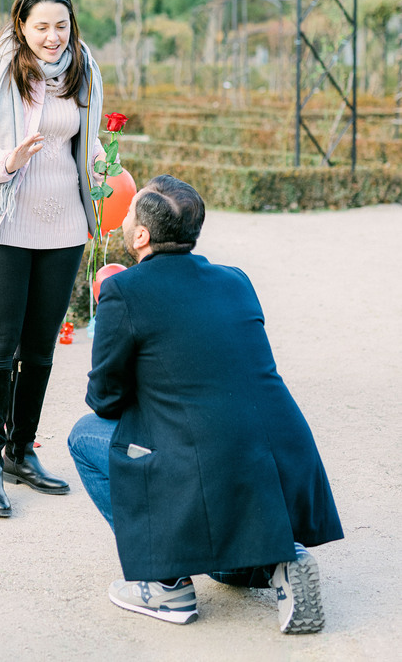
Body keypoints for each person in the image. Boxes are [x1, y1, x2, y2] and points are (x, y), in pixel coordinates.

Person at [68, 175, 343, 632]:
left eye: (131, 208)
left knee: (84, 435)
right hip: (279, 460)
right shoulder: (235, 281)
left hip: (206, 467)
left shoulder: (124, 291)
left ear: (141, 235)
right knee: (222, 568)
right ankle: (280, 558)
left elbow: (105, 400)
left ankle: (165, 582)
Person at [0, 0, 103, 518]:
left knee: (39, 348)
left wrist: (101, 164)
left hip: (62, 229)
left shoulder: (84, 71)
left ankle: (20, 451)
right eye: (42, 27)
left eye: (61, 26)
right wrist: (6, 161)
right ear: (21, 27)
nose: (53, 37)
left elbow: (84, 138)